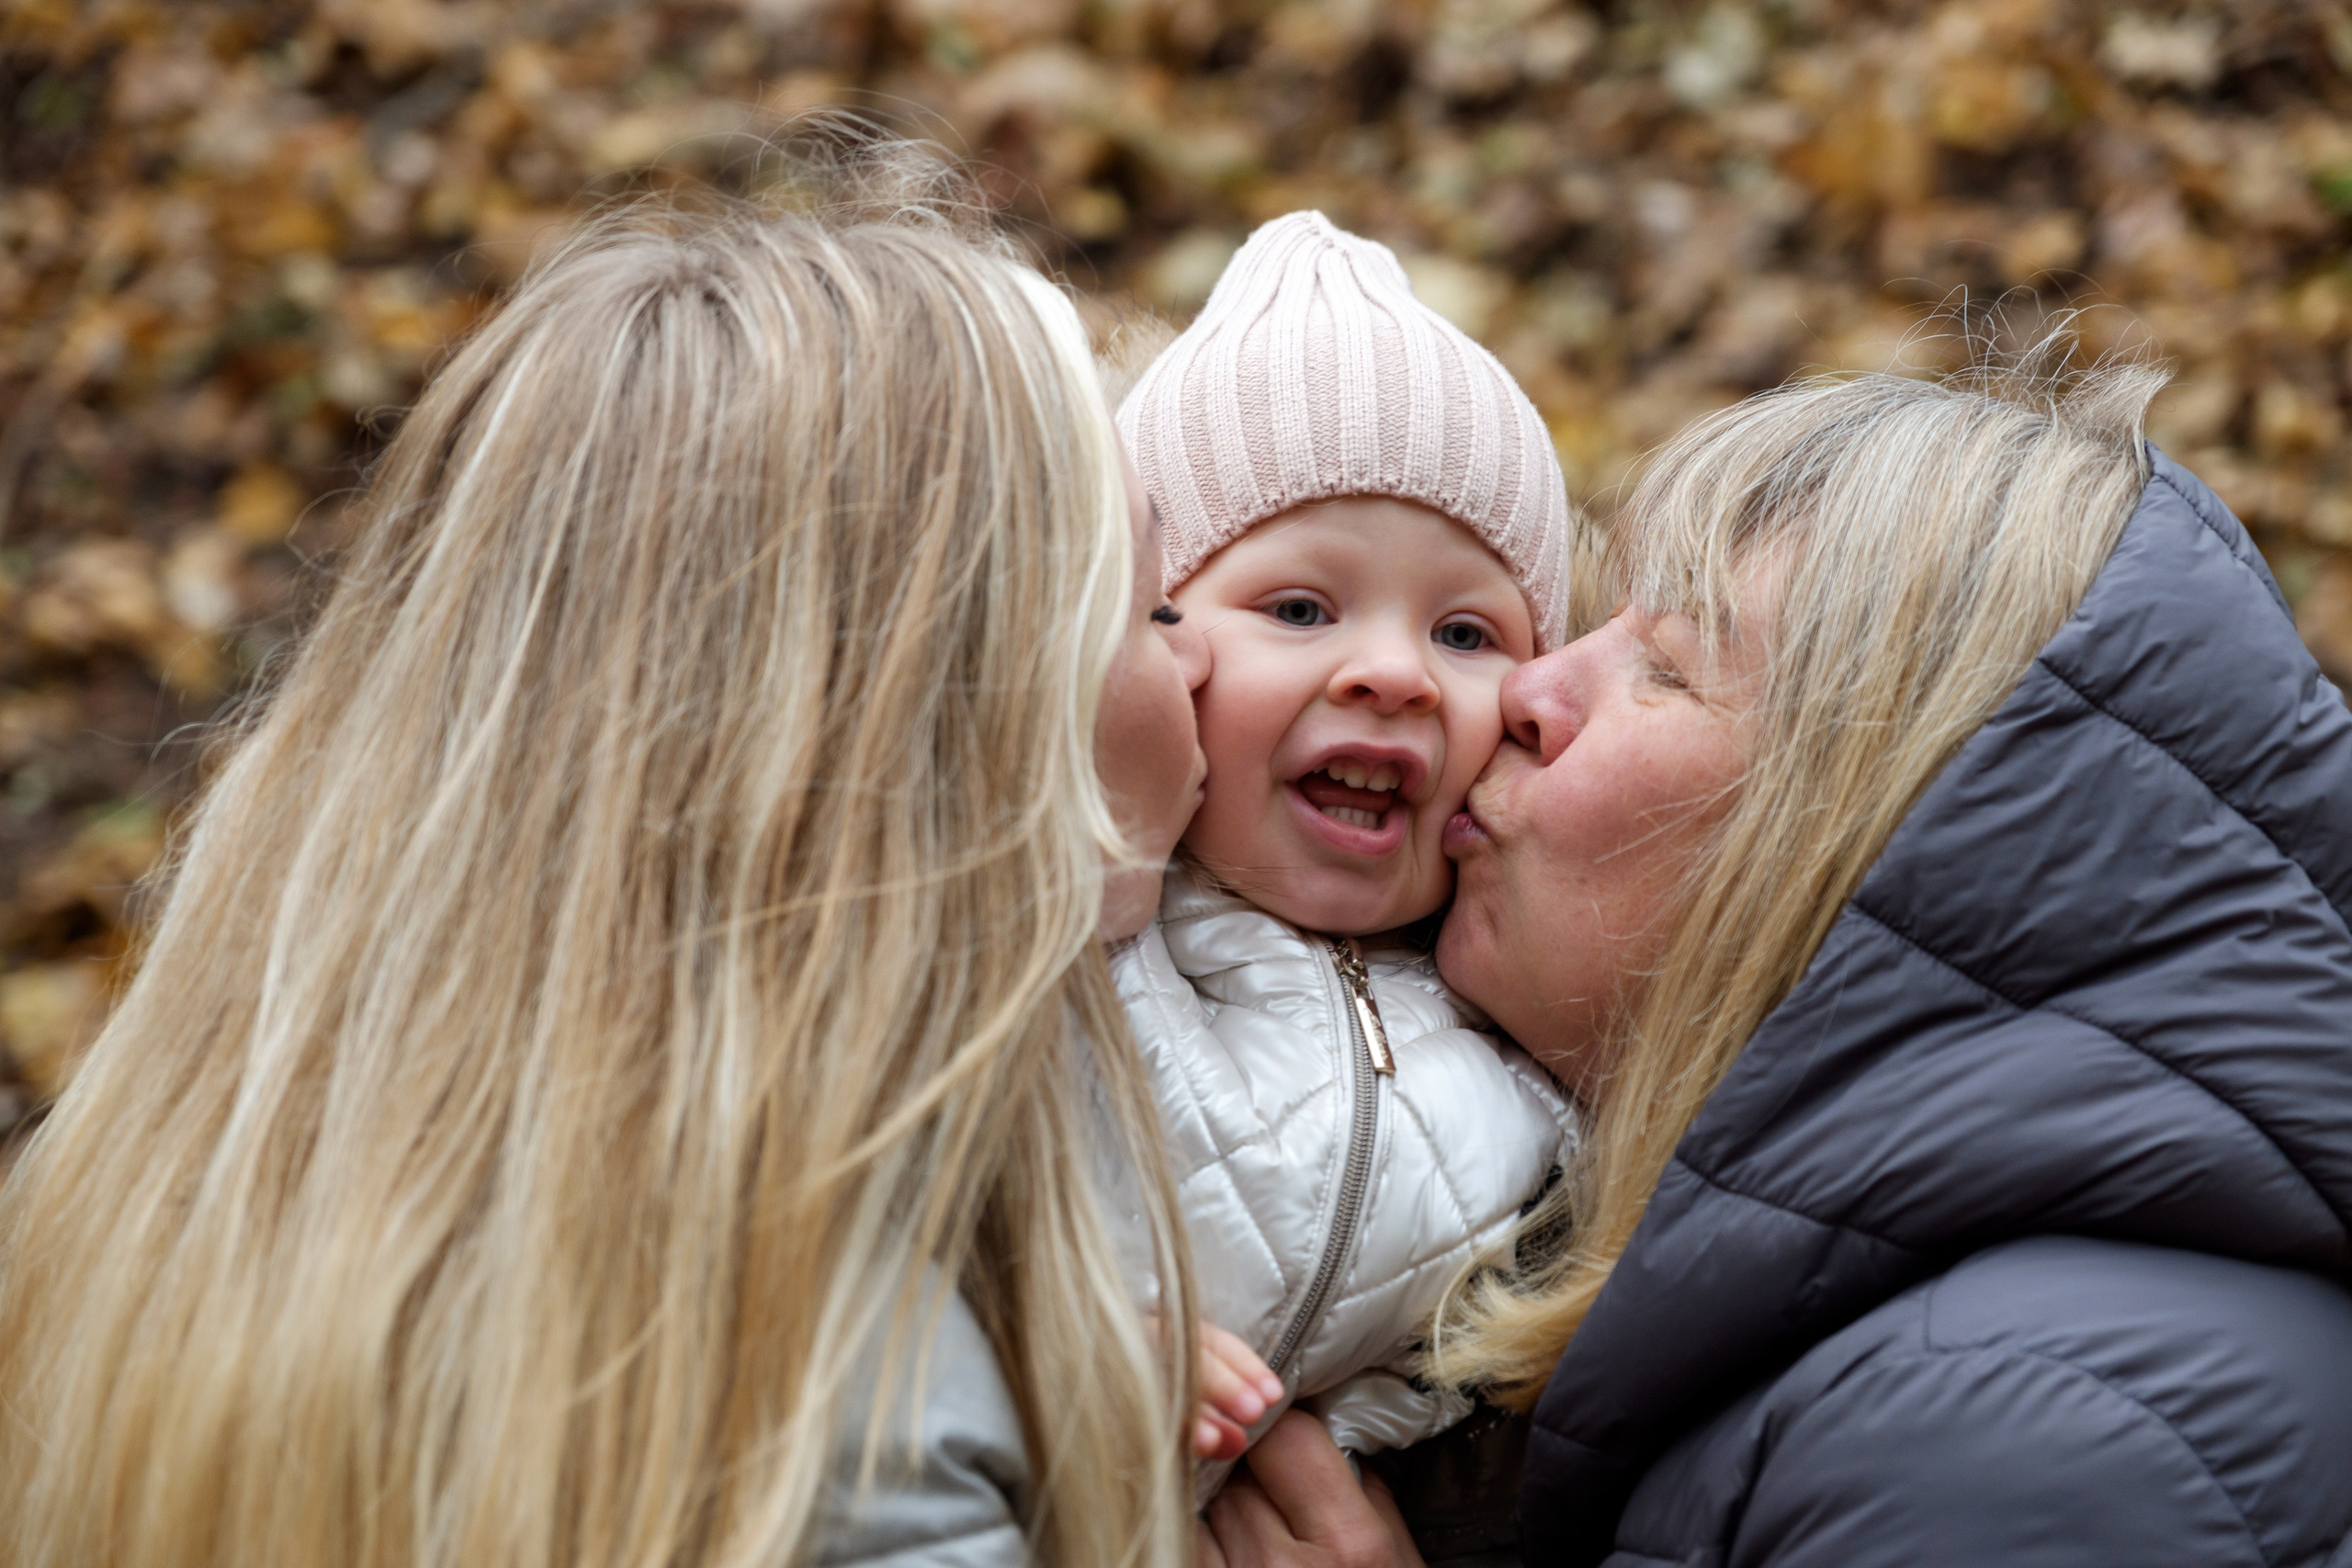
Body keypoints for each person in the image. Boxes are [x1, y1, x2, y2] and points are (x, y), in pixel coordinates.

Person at [0, 193, 1239, 1568]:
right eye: (1151, 606)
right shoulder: (844, 1425)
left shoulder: (208, 1199)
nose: (1199, 664)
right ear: (965, 715)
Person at [1203, 348, 2352, 1566]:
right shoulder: (1934, 1341)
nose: (1532, 689)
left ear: (1864, 822)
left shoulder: (2004, 1438)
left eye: (1664, 664)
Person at [1108, 209, 1575, 1475]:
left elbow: (1471, 1358)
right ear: (1150, 639)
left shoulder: (1530, 1059)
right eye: (1300, 607)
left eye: (1468, 635)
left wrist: (1319, 1450)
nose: (1392, 673)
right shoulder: (1067, 937)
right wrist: (1064, 1341)